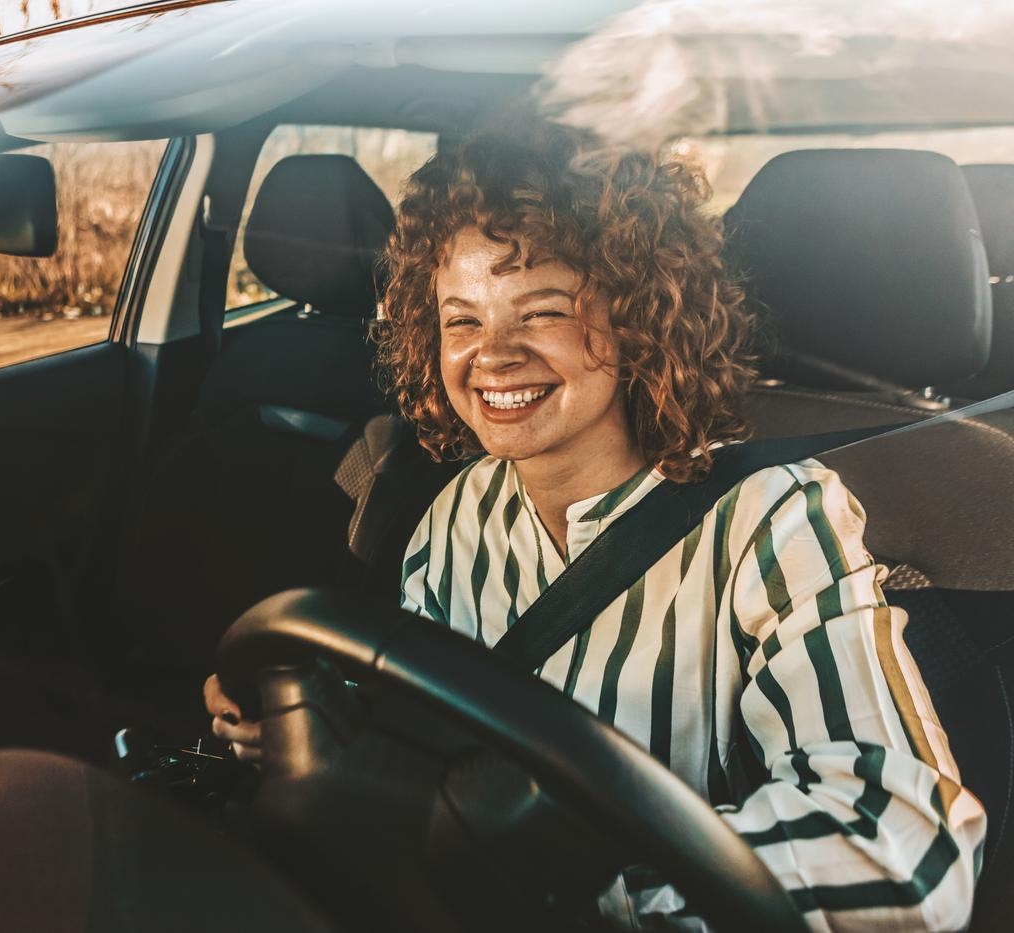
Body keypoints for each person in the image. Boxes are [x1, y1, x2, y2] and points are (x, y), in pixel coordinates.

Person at [205, 119, 985, 929]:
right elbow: (424, 746)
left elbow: (907, 849)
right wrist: (308, 726)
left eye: (540, 312)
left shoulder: (771, 520)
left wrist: (589, 890)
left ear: (640, 318)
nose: (493, 356)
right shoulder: (452, 515)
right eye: (462, 320)